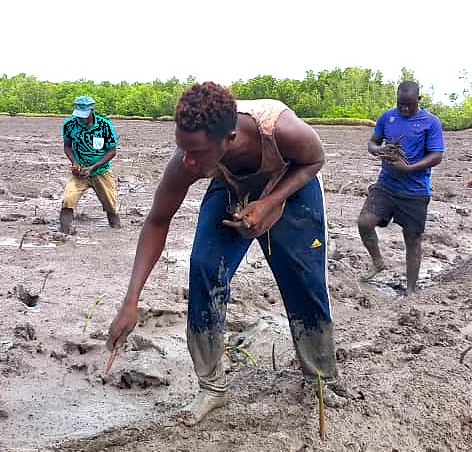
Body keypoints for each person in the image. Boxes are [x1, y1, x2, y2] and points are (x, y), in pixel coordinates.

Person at [107, 82, 352, 427]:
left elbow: (315, 159)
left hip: (292, 182)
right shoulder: (189, 160)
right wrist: (131, 300)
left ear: (230, 138)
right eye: (183, 149)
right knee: (204, 268)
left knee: (303, 279)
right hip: (231, 184)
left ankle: (321, 380)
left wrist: (268, 202)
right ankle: (211, 387)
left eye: (197, 152)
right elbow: (157, 221)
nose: (188, 160)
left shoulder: (282, 130)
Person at [357, 81, 445, 293]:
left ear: (419, 100)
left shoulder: (430, 122)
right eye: (400, 104)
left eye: (409, 105)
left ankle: (411, 289)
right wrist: (380, 150)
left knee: (412, 238)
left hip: (415, 191)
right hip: (386, 185)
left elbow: (437, 155)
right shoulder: (387, 117)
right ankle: (378, 262)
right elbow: (372, 143)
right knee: (364, 223)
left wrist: (410, 167)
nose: (404, 109)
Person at [59, 95, 120, 234]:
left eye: (84, 115)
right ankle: (63, 232)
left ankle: (116, 229)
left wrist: (93, 167)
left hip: (101, 171)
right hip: (79, 172)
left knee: (111, 205)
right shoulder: (69, 125)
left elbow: (112, 151)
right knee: (68, 200)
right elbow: (67, 146)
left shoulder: (105, 126)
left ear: (92, 110)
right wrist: (74, 162)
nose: (81, 118)